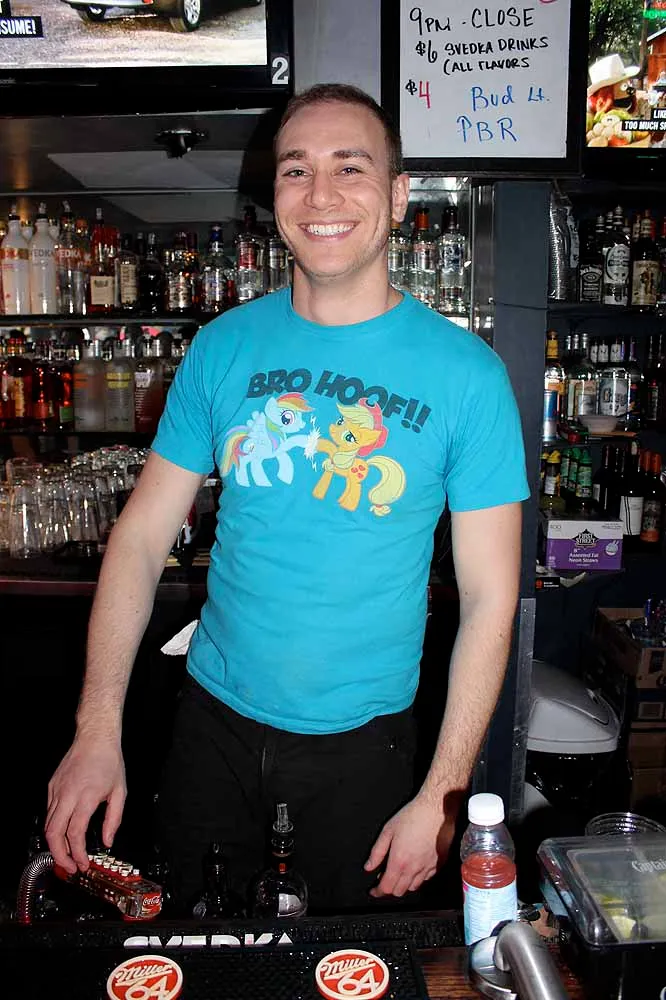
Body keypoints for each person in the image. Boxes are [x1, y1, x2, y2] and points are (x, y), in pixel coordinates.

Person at [45, 83, 528, 912]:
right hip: (210, 730)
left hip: (365, 751)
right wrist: (96, 731)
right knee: (196, 948)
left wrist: (443, 795)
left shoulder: (468, 376)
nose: (321, 195)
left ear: (399, 196)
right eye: (296, 171)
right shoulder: (222, 347)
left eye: (351, 167)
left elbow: (491, 599)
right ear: (274, 198)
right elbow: (140, 538)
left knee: (348, 962)